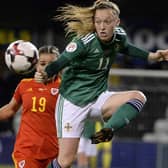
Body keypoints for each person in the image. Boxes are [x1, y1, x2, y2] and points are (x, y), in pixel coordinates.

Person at [35, 0, 168, 167]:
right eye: (98, 22)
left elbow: (127, 48)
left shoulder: (119, 36)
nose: (102, 26)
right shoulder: (83, 42)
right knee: (66, 161)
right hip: (72, 103)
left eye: (107, 21)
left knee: (138, 97)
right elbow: (60, 62)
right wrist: (46, 73)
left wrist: (152, 56)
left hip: (98, 99)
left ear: (116, 22)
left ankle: (108, 130)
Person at [0, 45, 60, 168]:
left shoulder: (64, 88)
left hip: (54, 151)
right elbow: (10, 109)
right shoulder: (24, 85)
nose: (47, 68)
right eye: (42, 63)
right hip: (26, 150)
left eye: (52, 64)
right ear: (36, 65)